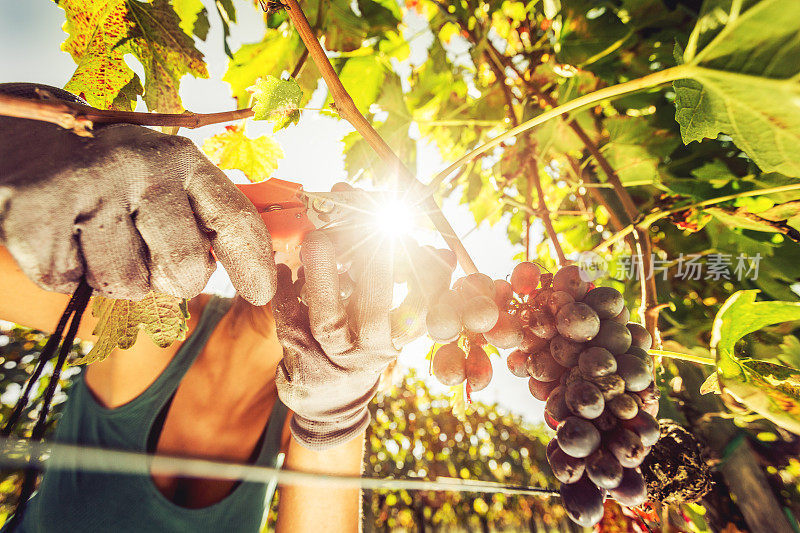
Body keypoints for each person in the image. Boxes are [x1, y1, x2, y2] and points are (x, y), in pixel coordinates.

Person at [0, 84, 454, 532]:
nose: (330, 255)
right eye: (328, 219)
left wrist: (336, 420)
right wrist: (20, 144)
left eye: (358, 249)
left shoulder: (307, 418)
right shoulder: (152, 312)